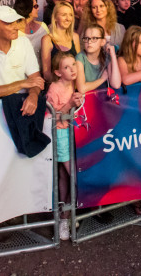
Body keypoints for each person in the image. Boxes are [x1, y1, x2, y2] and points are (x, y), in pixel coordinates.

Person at [0, 6, 44, 114]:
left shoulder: (24, 42)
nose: (16, 27)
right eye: (10, 23)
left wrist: (33, 96)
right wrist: (21, 84)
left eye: (16, 22)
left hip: (21, 109)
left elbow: (36, 80)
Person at [47, 51, 84, 240]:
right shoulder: (54, 88)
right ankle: (64, 218)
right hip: (61, 134)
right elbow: (52, 118)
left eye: (73, 65)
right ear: (58, 72)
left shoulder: (76, 84)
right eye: (66, 67)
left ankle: (66, 213)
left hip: (75, 131)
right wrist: (69, 104)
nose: (72, 69)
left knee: (65, 174)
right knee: (73, 175)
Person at [41, 2, 80, 84]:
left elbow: (79, 66)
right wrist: (63, 85)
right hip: (56, 86)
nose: (68, 18)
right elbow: (47, 74)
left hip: (74, 85)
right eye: (64, 15)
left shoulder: (75, 37)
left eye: (70, 15)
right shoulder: (47, 39)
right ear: (55, 18)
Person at [75, 24, 121, 93]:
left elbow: (116, 84)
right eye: (86, 38)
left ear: (102, 42)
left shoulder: (106, 57)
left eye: (94, 38)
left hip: (102, 96)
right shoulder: (80, 58)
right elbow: (82, 89)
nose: (89, 42)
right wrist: (102, 79)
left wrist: (113, 56)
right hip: (87, 97)